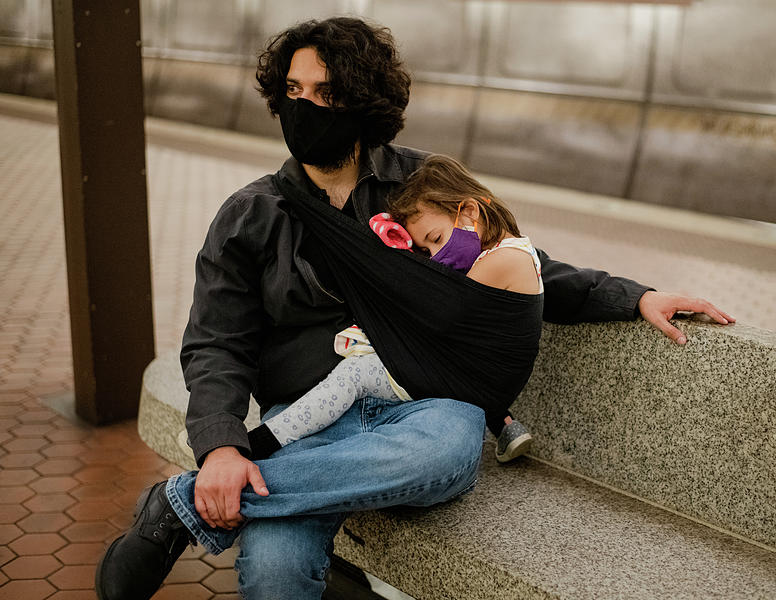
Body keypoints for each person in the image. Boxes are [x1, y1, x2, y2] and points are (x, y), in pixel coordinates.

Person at [94, 16, 734, 600]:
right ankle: (239, 501)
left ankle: (176, 508)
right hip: (308, 416)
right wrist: (221, 449)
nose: (305, 108)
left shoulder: (420, 185)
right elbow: (216, 345)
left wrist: (637, 296)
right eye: (293, 92)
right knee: (274, 572)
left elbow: (516, 266)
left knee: (446, 454)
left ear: (363, 102)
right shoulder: (253, 215)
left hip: (427, 405)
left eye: (325, 94)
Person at [247, 154, 541, 464]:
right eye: (426, 250)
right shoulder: (508, 251)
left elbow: (432, 305)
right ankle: (501, 423)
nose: (436, 257)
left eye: (436, 239)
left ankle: (264, 441)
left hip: (466, 381)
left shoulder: (502, 261)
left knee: (354, 375)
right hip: (472, 379)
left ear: (469, 210)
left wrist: (392, 254)